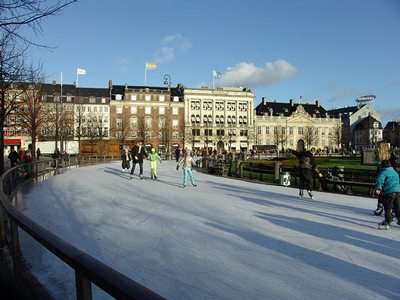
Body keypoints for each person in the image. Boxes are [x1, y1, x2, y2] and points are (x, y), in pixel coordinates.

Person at [373, 140, 397, 216]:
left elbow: (393, 167)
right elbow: (378, 169)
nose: (376, 148)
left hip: (390, 177)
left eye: (377, 147)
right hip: (382, 177)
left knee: (390, 193)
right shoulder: (379, 157)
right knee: (381, 191)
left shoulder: (390, 155)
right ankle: (380, 206)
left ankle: (393, 208)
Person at [375, 160, 400, 230]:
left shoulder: (383, 173)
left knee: (388, 207)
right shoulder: (394, 172)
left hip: (389, 192)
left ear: (382, 166)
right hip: (397, 191)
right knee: (397, 206)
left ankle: (388, 220)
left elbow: (380, 181)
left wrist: (378, 188)